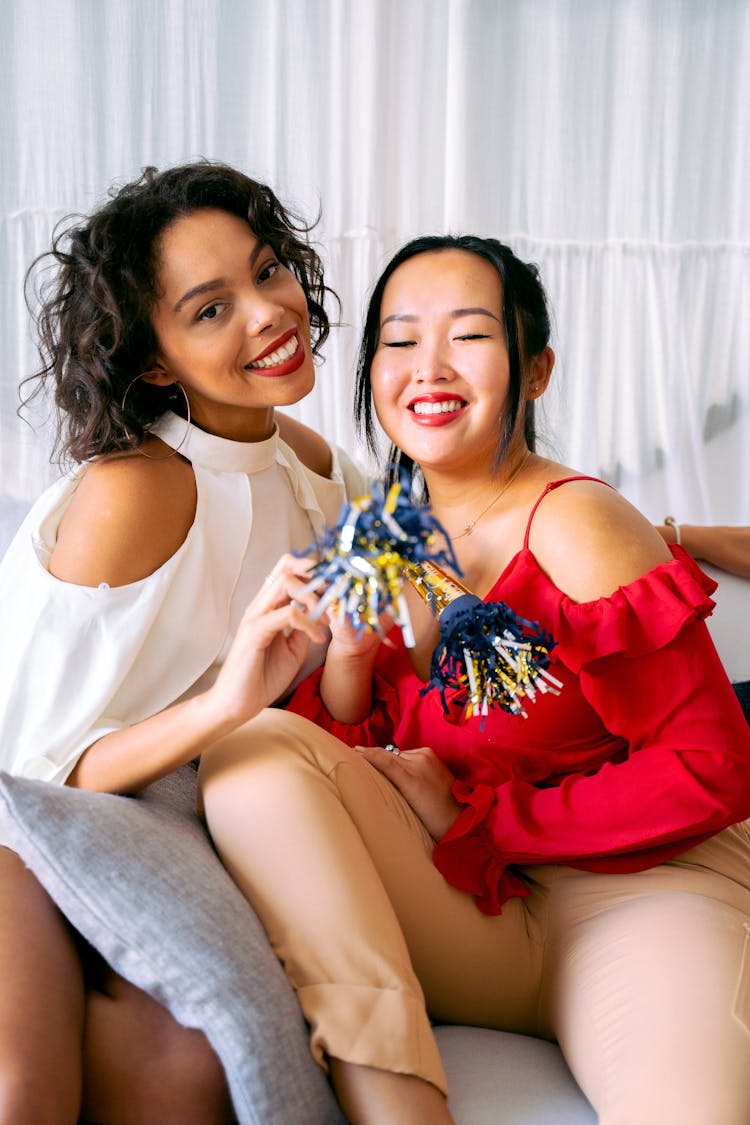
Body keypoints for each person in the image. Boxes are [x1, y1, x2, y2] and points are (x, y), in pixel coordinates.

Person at [197, 235, 750, 1125]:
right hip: (479, 904)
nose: (430, 366)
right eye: (401, 338)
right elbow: (362, 761)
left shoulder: (578, 523)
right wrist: (345, 658)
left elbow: (710, 764)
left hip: (646, 895)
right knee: (253, 751)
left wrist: (487, 820)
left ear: (535, 372)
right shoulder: (382, 534)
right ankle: (401, 1103)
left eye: (470, 335)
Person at [0, 160, 366, 1124]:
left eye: (270, 269)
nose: (270, 311)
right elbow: (34, 769)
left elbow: (425, 546)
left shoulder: (311, 469)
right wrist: (223, 706)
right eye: (210, 308)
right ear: (154, 358)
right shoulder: (138, 489)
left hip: (172, 819)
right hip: (25, 824)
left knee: (185, 1079)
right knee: (24, 1092)